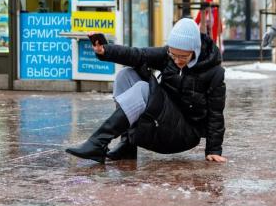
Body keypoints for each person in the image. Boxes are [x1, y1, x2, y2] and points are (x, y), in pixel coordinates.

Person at [65, 18, 227, 164]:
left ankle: (98, 142)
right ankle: (127, 145)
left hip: (184, 134)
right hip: (163, 117)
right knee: (125, 75)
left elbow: (216, 113)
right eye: (173, 54)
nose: (177, 60)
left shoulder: (214, 73)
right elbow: (138, 55)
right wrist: (105, 50)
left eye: (183, 57)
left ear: (196, 50)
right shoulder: (167, 56)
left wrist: (214, 150)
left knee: (143, 89)